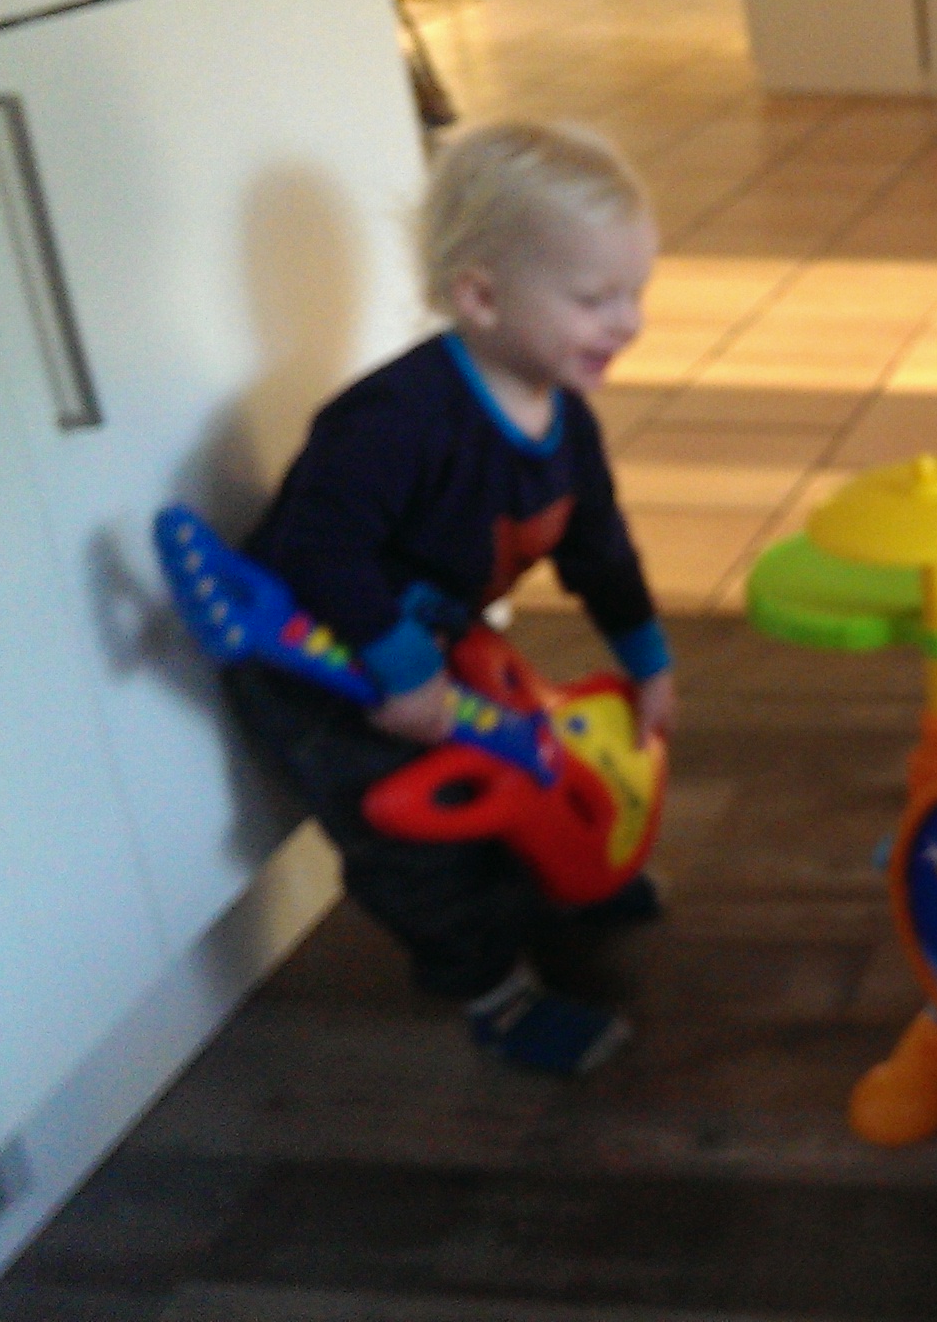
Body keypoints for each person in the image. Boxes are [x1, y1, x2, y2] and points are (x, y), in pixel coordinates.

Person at [223, 120, 676, 1075]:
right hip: (318, 665)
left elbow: (599, 548)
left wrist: (647, 659)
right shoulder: (394, 422)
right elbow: (317, 547)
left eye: (635, 293)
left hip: (425, 649)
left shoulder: (565, 421)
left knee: (528, 761)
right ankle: (494, 995)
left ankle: (565, 880)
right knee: (416, 841)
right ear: (480, 296)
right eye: (595, 298)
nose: (628, 322)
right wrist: (401, 667)